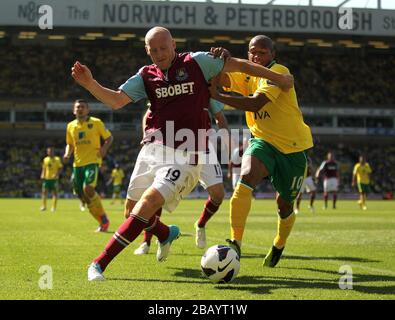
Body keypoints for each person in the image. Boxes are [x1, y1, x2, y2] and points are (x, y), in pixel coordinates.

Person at [71, 26, 293, 281]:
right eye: (153, 50)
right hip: (152, 148)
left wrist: (277, 78)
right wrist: (89, 83)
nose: (159, 54)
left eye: (163, 48)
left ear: (173, 44)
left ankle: (98, 264)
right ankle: (165, 234)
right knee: (131, 212)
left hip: (187, 152)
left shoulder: (197, 62)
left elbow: (240, 65)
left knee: (148, 204)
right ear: (147, 51)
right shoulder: (145, 75)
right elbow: (116, 100)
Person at [209, 34, 313, 268]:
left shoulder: (278, 72)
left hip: (292, 148)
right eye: (252, 52)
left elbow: (256, 104)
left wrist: (217, 96)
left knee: (284, 205)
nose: (256, 56)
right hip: (262, 141)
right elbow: (222, 77)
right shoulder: (247, 73)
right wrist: (217, 61)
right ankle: (235, 242)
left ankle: (279, 243)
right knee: (245, 178)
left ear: (272, 55)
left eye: (262, 52)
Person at [133, 99, 229, 254]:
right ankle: (147, 241)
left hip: (202, 145)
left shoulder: (203, 85)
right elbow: (150, 112)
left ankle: (201, 224)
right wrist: (146, 134)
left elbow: (220, 117)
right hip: (172, 144)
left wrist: (226, 146)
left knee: (218, 194)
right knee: (157, 192)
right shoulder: (166, 85)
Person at [63, 99, 113, 232]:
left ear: (87, 109)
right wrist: (67, 154)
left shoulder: (96, 122)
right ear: (74, 110)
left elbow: (109, 138)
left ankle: (104, 218)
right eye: (77, 107)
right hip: (77, 164)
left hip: (92, 162)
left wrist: (104, 149)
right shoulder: (70, 126)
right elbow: (70, 144)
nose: (80, 109)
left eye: (82, 107)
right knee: (82, 196)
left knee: (89, 189)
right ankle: (102, 221)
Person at [40, 147, 63, 212]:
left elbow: (60, 168)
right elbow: (44, 168)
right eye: (48, 151)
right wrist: (42, 174)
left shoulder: (57, 159)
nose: (50, 152)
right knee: (44, 192)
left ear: (53, 152)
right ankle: (44, 206)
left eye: (51, 151)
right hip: (46, 178)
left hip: (54, 179)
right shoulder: (45, 159)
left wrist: (56, 174)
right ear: (47, 152)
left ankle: (53, 207)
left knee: (55, 193)